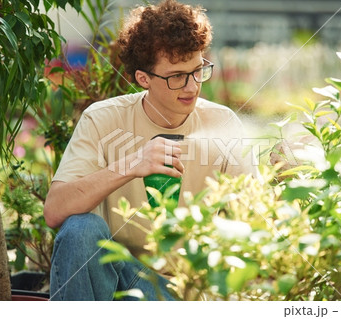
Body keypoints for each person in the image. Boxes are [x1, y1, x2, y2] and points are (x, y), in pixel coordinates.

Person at [44, 0, 258, 301]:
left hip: (188, 293)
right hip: (121, 278)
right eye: (177, 77)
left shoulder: (223, 124)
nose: (192, 87)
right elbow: (54, 211)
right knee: (81, 228)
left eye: (198, 71)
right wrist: (131, 164)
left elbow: (253, 226)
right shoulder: (103, 118)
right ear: (144, 79)